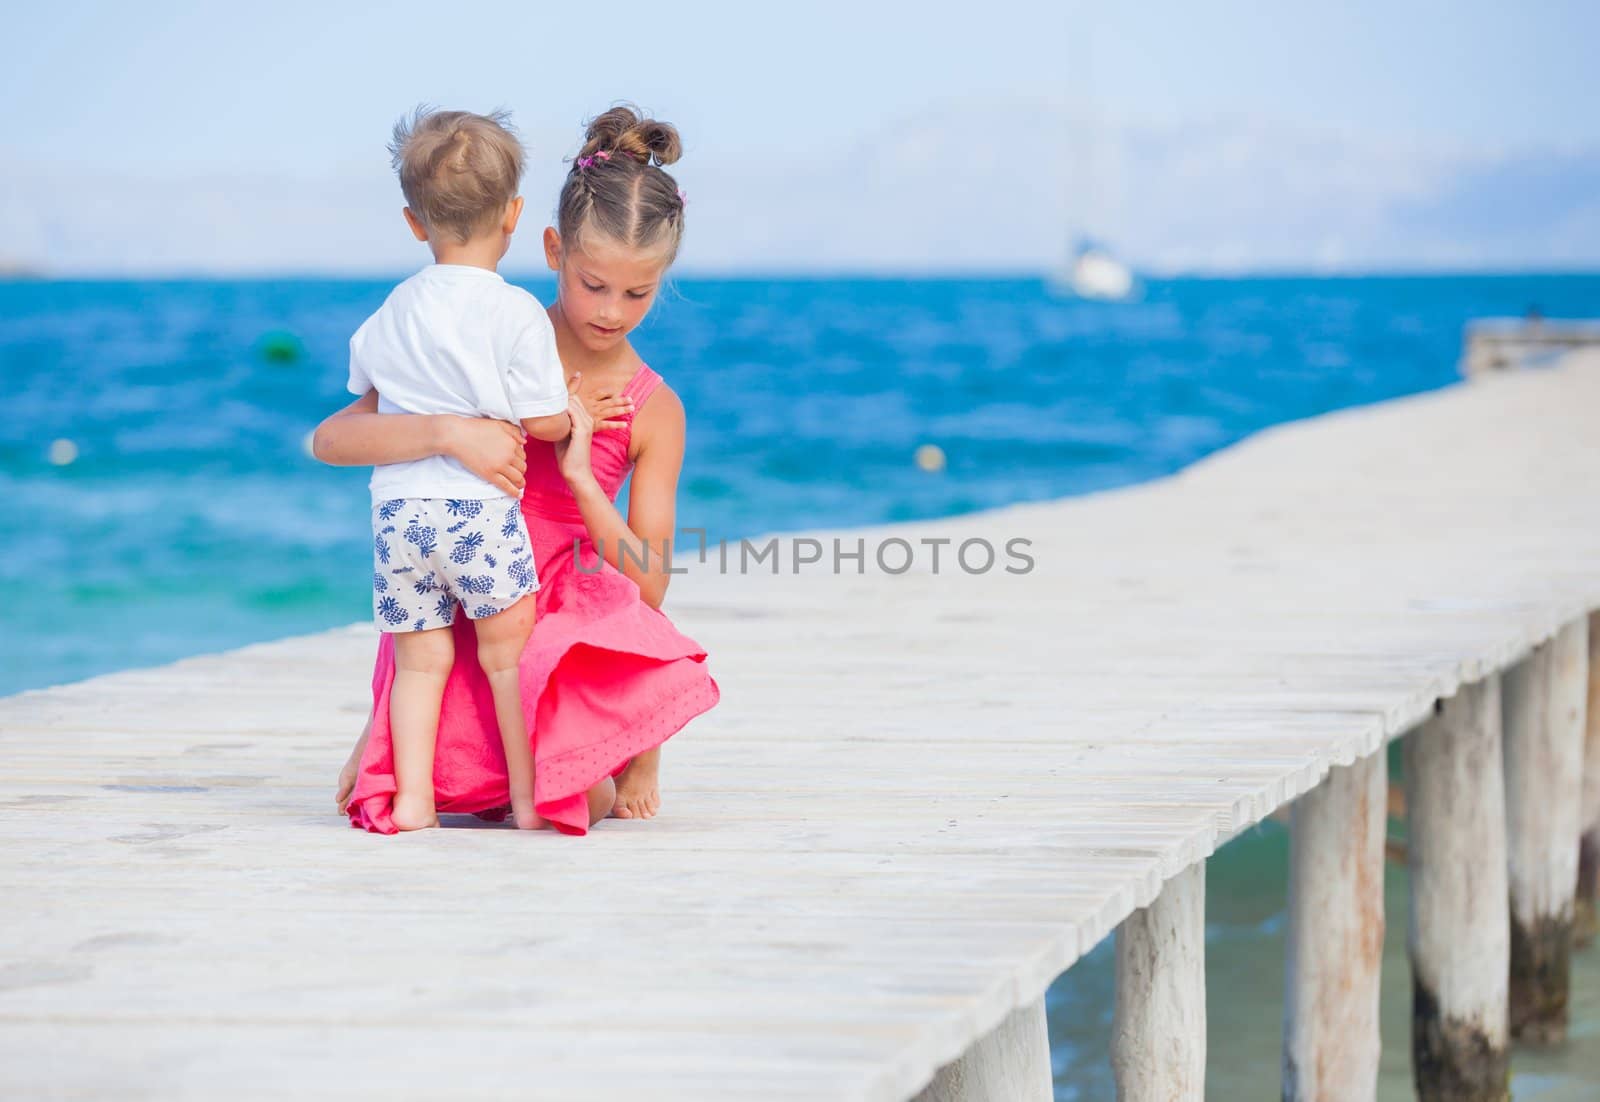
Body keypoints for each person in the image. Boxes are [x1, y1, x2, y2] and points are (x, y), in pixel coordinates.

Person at [315, 105, 720, 835]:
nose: (612, 312)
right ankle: (391, 740)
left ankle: (633, 750)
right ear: (552, 248)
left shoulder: (657, 409)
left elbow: (650, 583)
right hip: (472, 601)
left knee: (582, 797)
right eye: (594, 284)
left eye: (638, 293)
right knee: (434, 743)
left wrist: (583, 477)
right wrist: (450, 432)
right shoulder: (486, 333)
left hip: (562, 609)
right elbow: (337, 440)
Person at [340, 107, 572, 831]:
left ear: (415, 222)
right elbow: (539, 421)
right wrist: (572, 417)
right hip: (476, 512)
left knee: (419, 665)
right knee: (508, 661)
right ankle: (530, 802)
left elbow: (366, 396)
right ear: (513, 214)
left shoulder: (393, 309)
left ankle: (412, 801)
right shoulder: (515, 311)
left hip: (400, 514)